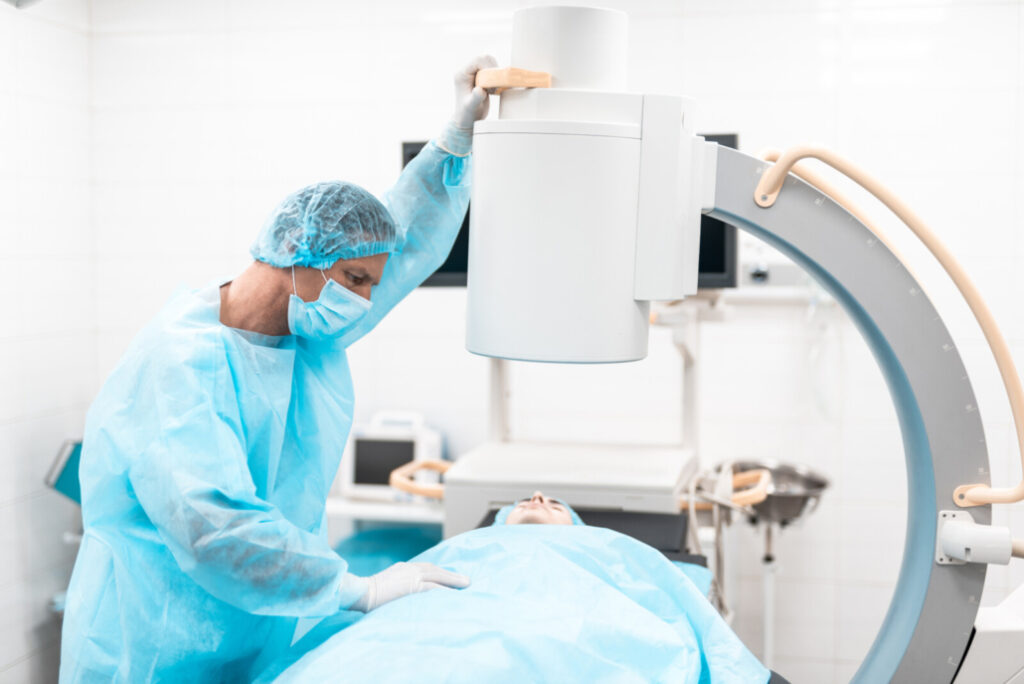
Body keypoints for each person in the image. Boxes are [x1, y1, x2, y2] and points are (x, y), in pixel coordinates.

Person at [59, 55, 498, 683]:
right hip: (151, 645)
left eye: (367, 285)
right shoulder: (181, 365)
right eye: (354, 281)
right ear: (298, 254)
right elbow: (216, 529)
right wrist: (358, 589)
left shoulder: (310, 332)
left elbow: (397, 245)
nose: (365, 301)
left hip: (257, 634)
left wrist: (454, 141)